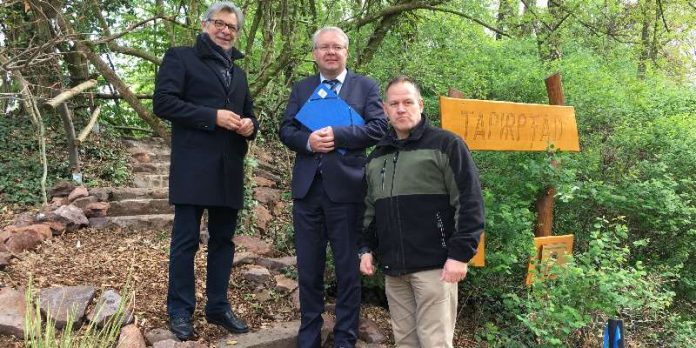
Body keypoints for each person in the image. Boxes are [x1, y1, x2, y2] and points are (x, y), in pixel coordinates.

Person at [152, 1, 257, 341]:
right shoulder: (180, 57)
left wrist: (249, 126)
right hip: (193, 165)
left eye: (232, 27)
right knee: (185, 241)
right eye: (219, 23)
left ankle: (218, 306)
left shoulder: (239, 73)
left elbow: (250, 115)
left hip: (229, 168)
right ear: (205, 24)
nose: (226, 30)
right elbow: (163, 103)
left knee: (223, 241)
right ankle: (180, 311)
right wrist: (212, 116)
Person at [279, 27, 388, 347]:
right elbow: (286, 130)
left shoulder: (365, 86)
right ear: (315, 53)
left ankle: (344, 337)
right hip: (307, 192)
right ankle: (309, 336)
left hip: (347, 192)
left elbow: (379, 127)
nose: (330, 52)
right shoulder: (302, 88)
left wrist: (338, 135)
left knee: (347, 270)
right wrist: (308, 141)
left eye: (337, 47)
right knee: (309, 269)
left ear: (346, 52)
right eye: (324, 47)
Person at [358, 76, 484, 348]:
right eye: (394, 103)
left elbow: (469, 201)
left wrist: (460, 255)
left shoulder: (446, 145)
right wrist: (365, 247)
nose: (401, 109)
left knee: (435, 342)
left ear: (421, 104)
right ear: (385, 109)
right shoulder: (378, 155)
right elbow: (370, 208)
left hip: (435, 267)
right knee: (405, 342)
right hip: (394, 269)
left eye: (407, 102)